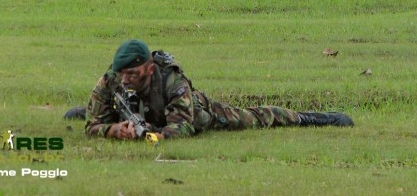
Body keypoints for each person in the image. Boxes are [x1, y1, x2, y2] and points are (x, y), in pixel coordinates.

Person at [79, 39, 353, 141]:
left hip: (196, 115)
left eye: (132, 74)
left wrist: (149, 137)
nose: (125, 80)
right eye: (121, 74)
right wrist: (114, 130)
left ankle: (310, 117)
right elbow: (93, 127)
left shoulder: (174, 83)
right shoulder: (111, 80)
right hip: (146, 116)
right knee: (90, 114)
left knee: (254, 118)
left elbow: (182, 129)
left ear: (149, 69)